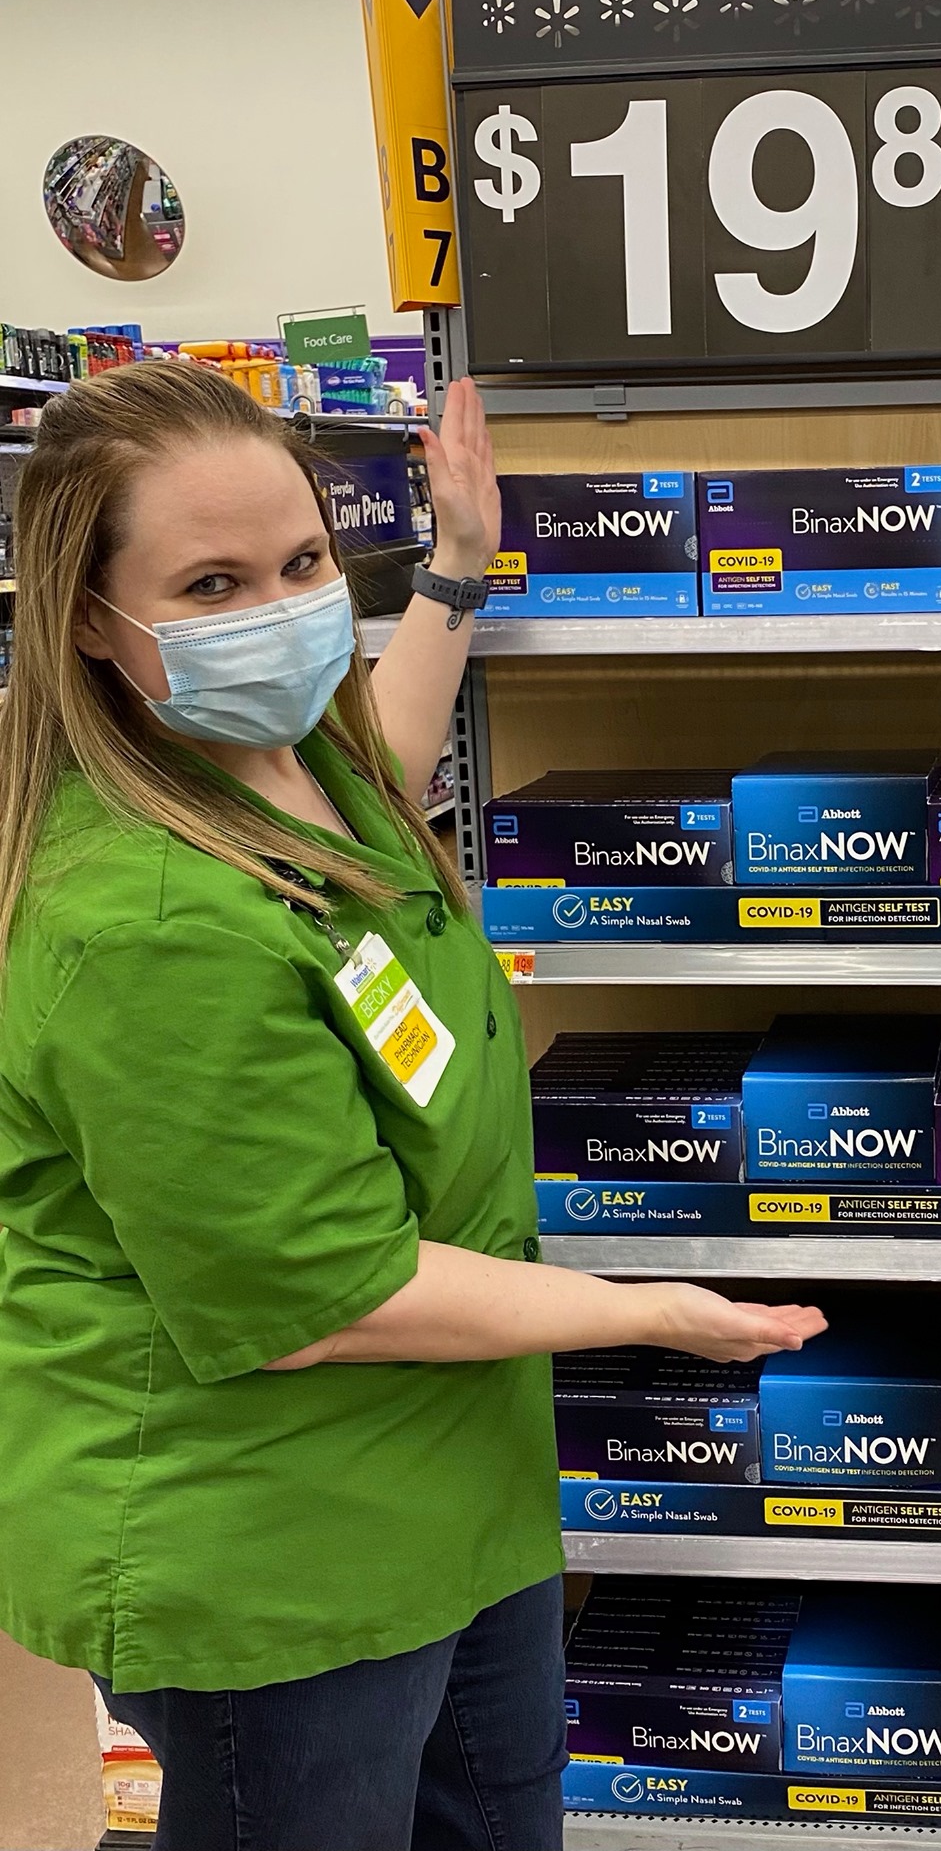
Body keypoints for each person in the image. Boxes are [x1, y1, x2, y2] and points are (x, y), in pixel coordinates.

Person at [0, 359, 825, 1851]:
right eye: (211, 584)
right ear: (88, 622)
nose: (281, 611)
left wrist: (454, 568)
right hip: (272, 1536)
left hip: (455, 1468)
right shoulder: (142, 927)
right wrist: (649, 1313)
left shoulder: (276, 752)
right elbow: (325, 1296)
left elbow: (377, 768)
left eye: (304, 561)